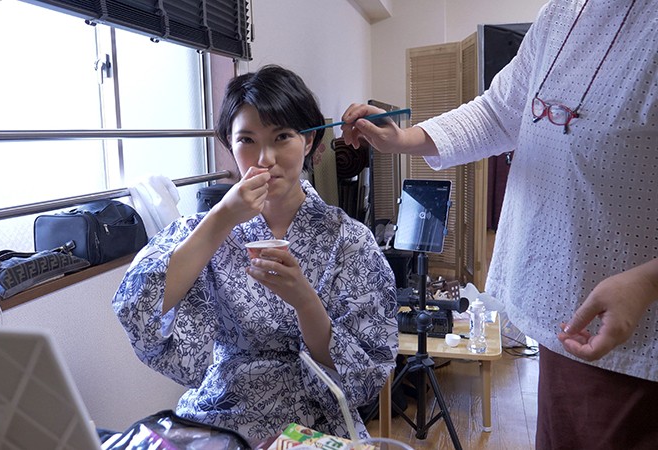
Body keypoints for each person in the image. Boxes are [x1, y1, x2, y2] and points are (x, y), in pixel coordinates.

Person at [341, 0, 657, 448]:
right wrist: (404, 139)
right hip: (563, 313)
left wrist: (648, 281)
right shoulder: (560, 15)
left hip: (632, 335)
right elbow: (498, 111)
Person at [112, 65, 398, 442]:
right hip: (220, 413)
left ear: (308, 141)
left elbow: (366, 373)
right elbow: (137, 308)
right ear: (229, 145)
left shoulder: (349, 240)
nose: (264, 158)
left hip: (314, 419)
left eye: (282, 137)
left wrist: (305, 302)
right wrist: (222, 218)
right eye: (247, 140)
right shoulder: (206, 229)